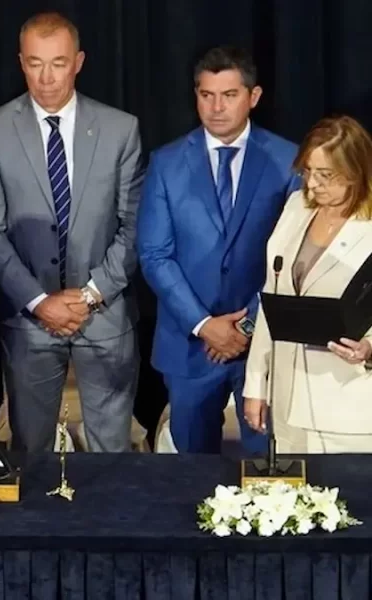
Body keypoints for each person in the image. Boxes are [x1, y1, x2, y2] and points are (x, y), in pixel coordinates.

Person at [0, 12, 144, 453]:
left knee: (112, 455)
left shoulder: (120, 128)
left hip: (104, 315)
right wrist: (39, 301)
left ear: (79, 62)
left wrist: (89, 295)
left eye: (58, 63)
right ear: (21, 63)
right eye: (35, 63)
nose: (46, 78)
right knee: (31, 452)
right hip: (29, 319)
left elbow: (134, 226)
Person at [137, 46, 299, 455]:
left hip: (263, 344)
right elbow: (155, 255)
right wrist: (204, 324)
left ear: (253, 96)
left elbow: (295, 257)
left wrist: (246, 327)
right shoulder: (166, 162)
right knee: (191, 472)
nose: (216, 107)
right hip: (189, 345)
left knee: (267, 468)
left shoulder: (287, 161)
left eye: (229, 95)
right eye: (206, 95)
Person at [244, 115, 372, 453]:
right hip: (288, 400)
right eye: (308, 171)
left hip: (348, 404)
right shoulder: (296, 207)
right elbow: (272, 298)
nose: (312, 184)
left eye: (325, 175)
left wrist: (369, 347)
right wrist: (256, 384)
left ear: (355, 171)